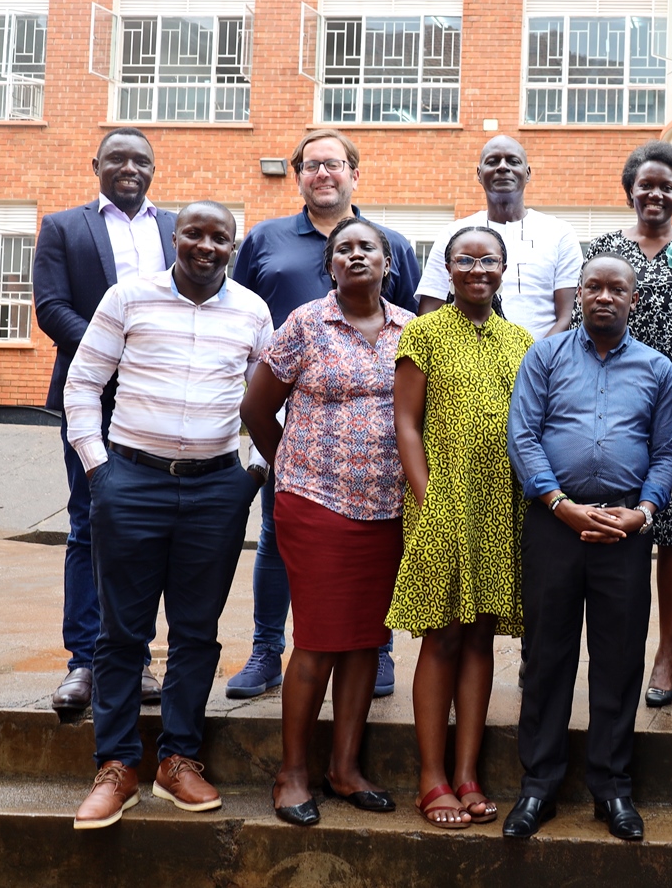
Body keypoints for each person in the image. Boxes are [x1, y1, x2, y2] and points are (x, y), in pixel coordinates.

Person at [65, 202, 271, 830]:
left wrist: (253, 473)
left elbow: (270, 398)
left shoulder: (253, 311)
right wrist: (99, 468)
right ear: (174, 238)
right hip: (130, 480)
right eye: (195, 234)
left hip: (215, 490)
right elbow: (83, 384)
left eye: (220, 238)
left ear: (233, 246)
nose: (206, 247)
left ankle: (179, 758)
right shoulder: (127, 298)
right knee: (122, 633)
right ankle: (117, 764)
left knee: (195, 631)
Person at [226, 129, 421, 702]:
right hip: (296, 426)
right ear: (299, 176)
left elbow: (408, 321)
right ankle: (267, 651)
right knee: (275, 543)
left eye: (334, 164)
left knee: (379, 552)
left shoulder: (392, 243)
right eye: (311, 166)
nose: (323, 175)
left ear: (353, 174)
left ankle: (376, 650)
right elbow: (238, 319)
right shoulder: (265, 239)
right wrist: (282, 449)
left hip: (381, 453)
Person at [239, 217, 414, 827]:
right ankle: (291, 772)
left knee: (366, 639)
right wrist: (296, 462)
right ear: (330, 265)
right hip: (315, 502)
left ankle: (344, 767)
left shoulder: (412, 331)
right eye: (344, 249)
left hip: (389, 508)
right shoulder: (305, 324)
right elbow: (257, 406)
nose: (356, 255)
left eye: (367, 246)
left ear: (387, 263)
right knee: (315, 639)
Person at [502, 255, 672, 842]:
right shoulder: (545, 356)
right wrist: (559, 502)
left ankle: (612, 788)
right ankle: (538, 787)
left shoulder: (657, 369)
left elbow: (668, 452)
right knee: (548, 657)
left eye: (617, 289)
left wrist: (645, 510)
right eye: (593, 287)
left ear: (634, 298)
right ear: (579, 294)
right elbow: (523, 434)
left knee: (619, 659)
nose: (604, 297)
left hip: (624, 531)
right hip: (554, 523)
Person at [389, 225, 535, 829]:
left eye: (489, 259)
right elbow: (406, 424)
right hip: (439, 502)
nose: (478, 268)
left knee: (481, 637)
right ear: (446, 269)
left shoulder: (521, 341)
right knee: (442, 635)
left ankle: (469, 771)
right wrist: (429, 504)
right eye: (465, 259)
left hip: (499, 505)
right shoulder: (422, 334)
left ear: (505, 269)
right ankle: (431, 776)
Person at [33, 127, 174, 714]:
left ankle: (133, 659)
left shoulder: (175, 228)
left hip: (159, 401)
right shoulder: (65, 227)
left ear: (151, 170)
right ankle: (85, 663)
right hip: (91, 395)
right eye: (117, 158)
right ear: (95, 165)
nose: (129, 168)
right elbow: (51, 307)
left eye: (140, 160)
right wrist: (110, 356)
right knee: (88, 525)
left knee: (143, 532)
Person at [577, 141, 672, 710]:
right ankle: (620, 649)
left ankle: (666, 651)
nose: (656, 193)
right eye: (647, 183)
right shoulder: (605, 249)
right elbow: (579, 324)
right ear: (631, 189)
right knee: (625, 514)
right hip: (618, 399)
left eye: (667, 185)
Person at [416, 134, 582, 338]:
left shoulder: (559, 233)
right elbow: (429, 312)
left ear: (528, 173)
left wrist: (535, 361)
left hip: (546, 364)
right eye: (493, 161)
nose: (503, 167)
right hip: (465, 363)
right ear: (478, 173)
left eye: (513, 161)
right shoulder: (453, 234)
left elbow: (569, 316)